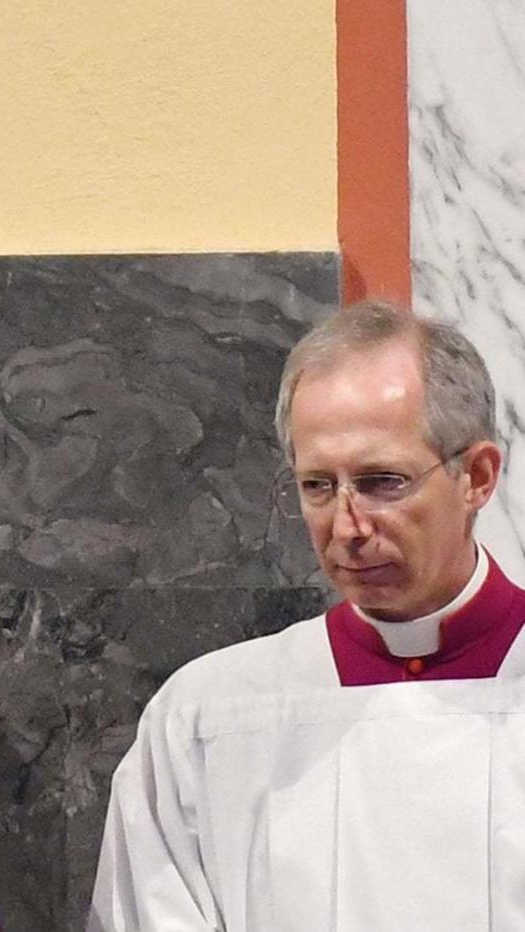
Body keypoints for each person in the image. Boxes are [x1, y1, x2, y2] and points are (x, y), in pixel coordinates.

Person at [88, 302, 525, 930]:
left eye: (382, 481)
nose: (347, 527)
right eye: (318, 485)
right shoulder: (210, 718)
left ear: (477, 477)